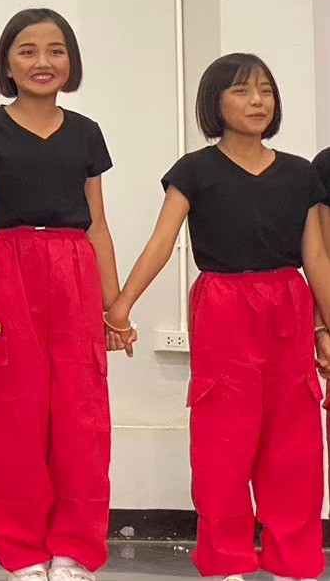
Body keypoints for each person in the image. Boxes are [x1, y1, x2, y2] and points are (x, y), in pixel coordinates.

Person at [107, 54, 330, 581]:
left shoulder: (300, 173)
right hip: (224, 307)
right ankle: (228, 560)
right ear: (215, 101)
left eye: (266, 91)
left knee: (294, 444)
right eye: (242, 91)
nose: (257, 101)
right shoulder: (194, 170)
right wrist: (121, 305)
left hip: (288, 303)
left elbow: (316, 255)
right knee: (223, 442)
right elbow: (162, 243)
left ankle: (294, 561)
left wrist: (326, 325)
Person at [0, 8, 125, 581]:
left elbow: (97, 224)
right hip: (8, 268)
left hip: (74, 270)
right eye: (27, 51)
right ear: (7, 63)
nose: (42, 62)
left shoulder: (86, 132)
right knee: (14, 415)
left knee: (81, 415)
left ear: (71, 61)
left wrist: (114, 305)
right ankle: (24, 553)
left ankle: (74, 551)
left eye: (55, 50)